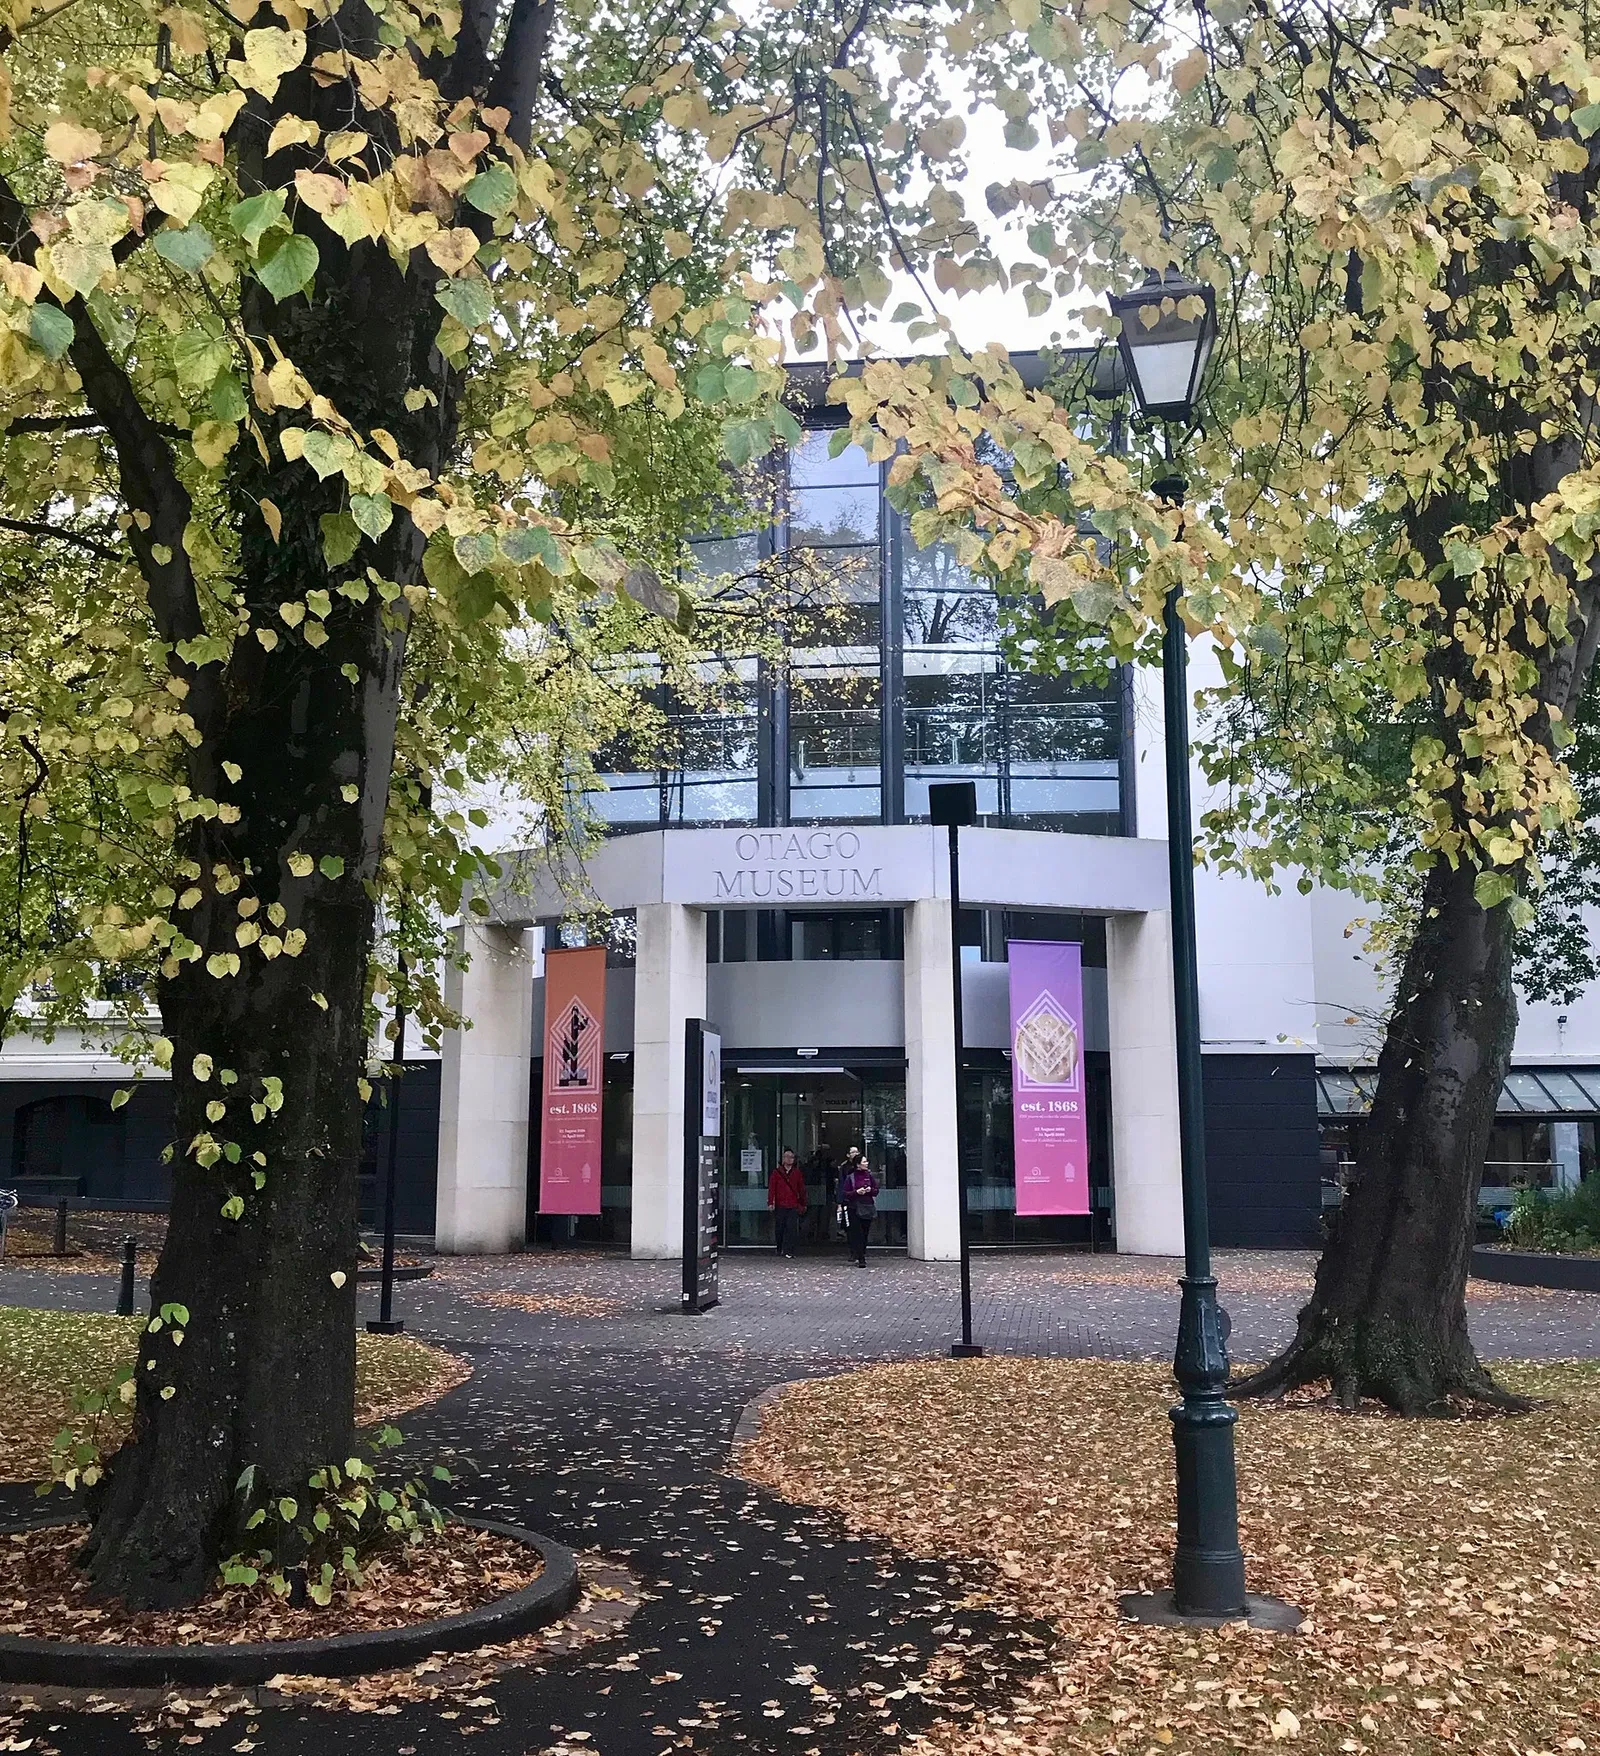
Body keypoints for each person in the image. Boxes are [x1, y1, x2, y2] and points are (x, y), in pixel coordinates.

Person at [836, 1150, 880, 1267]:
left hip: (867, 1206)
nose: (867, 1163)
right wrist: (857, 1192)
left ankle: (861, 1253)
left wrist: (870, 1190)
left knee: (865, 1233)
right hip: (854, 1208)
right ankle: (860, 1257)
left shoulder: (869, 1176)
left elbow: (876, 1190)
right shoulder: (851, 1177)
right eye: (864, 1162)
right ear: (858, 1164)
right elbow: (845, 1193)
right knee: (857, 1233)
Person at [768, 1147, 807, 1257]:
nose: (789, 1159)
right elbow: (772, 1188)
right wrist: (771, 1202)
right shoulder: (777, 1172)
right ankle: (779, 1247)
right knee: (780, 1228)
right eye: (787, 1157)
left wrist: (803, 1203)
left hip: (793, 1204)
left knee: (791, 1228)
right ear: (783, 1159)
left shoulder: (797, 1173)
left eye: (791, 1157)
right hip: (780, 1204)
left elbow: (801, 1189)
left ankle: (789, 1250)